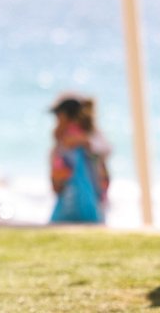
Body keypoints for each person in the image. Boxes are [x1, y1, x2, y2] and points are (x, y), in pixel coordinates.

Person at [49, 93, 110, 223]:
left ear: (65, 116)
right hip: (81, 192)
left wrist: (85, 142)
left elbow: (105, 149)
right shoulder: (68, 138)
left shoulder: (83, 137)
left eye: (58, 116)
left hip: (85, 192)